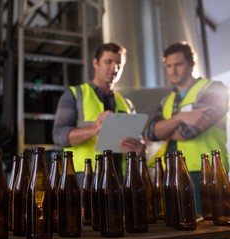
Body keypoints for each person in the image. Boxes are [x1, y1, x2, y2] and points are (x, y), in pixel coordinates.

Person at [146, 41, 229, 214]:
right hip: (172, 173)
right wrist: (182, 117)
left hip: (207, 171)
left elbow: (189, 131)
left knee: (210, 226)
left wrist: (164, 130)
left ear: (192, 64)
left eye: (178, 64)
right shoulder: (166, 100)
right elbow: (150, 132)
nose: (172, 70)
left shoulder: (215, 90)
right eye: (169, 66)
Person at [52, 42, 146, 183]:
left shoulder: (126, 104)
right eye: (108, 62)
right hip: (84, 177)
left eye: (118, 64)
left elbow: (138, 141)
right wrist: (95, 129)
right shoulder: (74, 95)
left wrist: (140, 149)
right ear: (95, 63)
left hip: (121, 180)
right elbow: (59, 136)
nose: (114, 68)